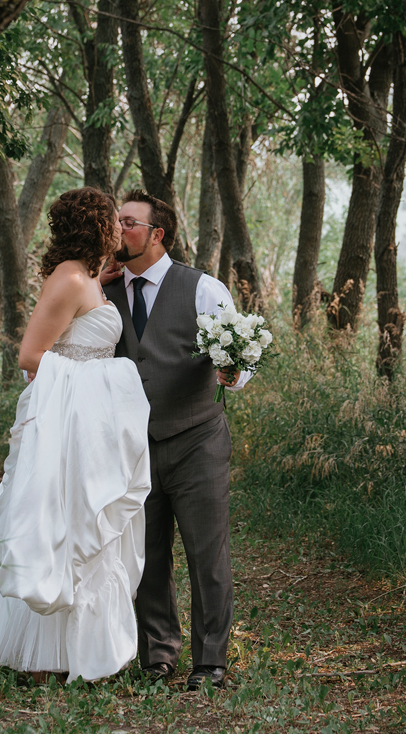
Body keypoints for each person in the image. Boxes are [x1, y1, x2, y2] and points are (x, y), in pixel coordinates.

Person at [0, 187, 152, 684]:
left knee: (86, 523)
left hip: (92, 423)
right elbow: (31, 357)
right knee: (64, 524)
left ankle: (74, 653)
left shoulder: (84, 278)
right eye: (113, 221)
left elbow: (78, 327)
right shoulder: (68, 279)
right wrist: (105, 376)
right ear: (98, 227)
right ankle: (42, 657)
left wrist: (98, 283)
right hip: (73, 419)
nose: (120, 230)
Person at [100, 189, 250, 692]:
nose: (118, 230)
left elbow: (240, 363)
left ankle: (210, 661)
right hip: (133, 445)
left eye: (128, 222)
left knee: (207, 553)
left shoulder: (204, 289)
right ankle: (158, 653)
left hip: (196, 440)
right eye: (116, 221)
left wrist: (231, 372)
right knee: (145, 554)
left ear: (156, 234)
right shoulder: (105, 291)